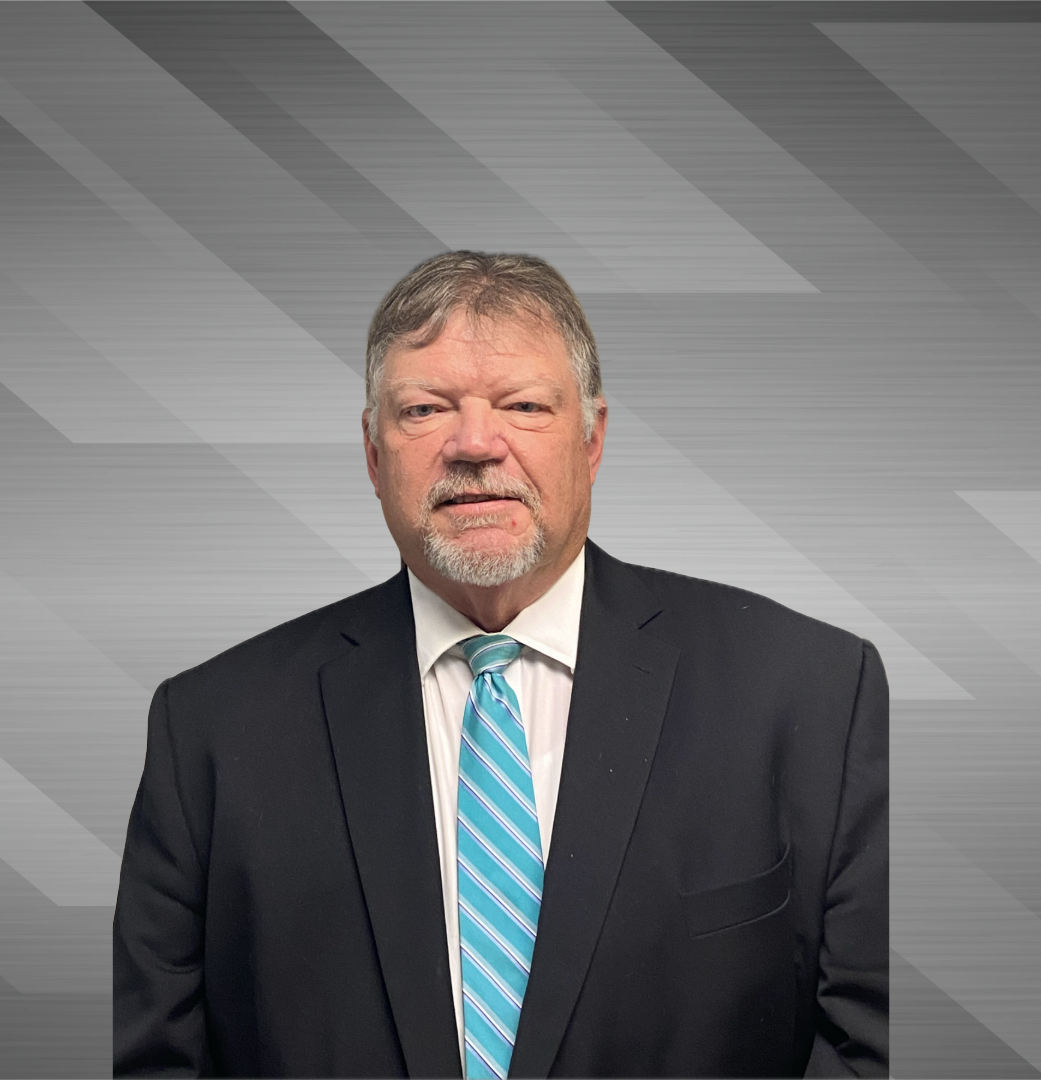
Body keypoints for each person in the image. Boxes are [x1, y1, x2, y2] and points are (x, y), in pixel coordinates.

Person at [113, 251, 889, 1078]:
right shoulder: (213, 731)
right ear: (373, 453)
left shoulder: (810, 693)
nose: (475, 444)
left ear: (592, 440)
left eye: (523, 405)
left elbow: (867, 1041)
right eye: (424, 409)